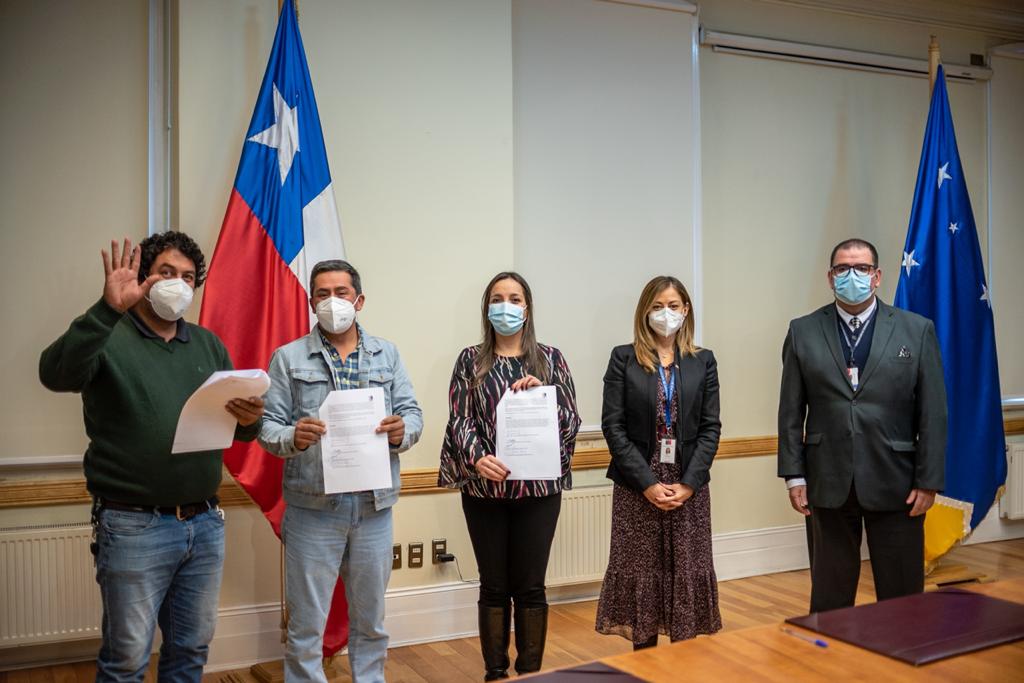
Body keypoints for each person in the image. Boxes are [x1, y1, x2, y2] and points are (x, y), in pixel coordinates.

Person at [38, 233, 265, 683]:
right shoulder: (109, 334)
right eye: (166, 272)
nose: (177, 284)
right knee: (126, 659)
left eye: (187, 277)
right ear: (144, 279)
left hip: (203, 524)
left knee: (190, 649)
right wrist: (107, 310)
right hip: (133, 524)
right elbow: (54, 374)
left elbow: (238, 429)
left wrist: (252, 417)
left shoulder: (207, 344)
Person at [258, 259, 422, 683]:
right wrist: (294, 436)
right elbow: (266, 428)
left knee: (371, 622)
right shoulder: (288, 358)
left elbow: (413, 415)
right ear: (311, 302)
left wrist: (401, 430)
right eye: (323, 294)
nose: (333, 301)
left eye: (342, 293)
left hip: (373, 508)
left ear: (359, 300)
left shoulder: (388, 353)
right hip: (313, 509)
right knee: (306, 624)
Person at [778, 238, 947, 613]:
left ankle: (900, 664)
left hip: (898, 483)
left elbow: (933, 413)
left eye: (861, 268)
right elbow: (790, 411)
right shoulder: (803, 331)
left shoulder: (916, 330)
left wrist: (929, 480)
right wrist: (794, 476)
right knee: (830, 596)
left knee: (902, 596)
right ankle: (830, 664)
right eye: (842, 269)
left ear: (877, 276)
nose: (851, 275)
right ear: (830, 277)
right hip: (827, 482)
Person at [438, 272, 581, 681]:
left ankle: (530, 673)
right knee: (494, 585)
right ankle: (495, 673)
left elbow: (572, 422)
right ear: (487, 308)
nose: (506, 305)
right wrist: (478, 457)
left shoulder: (550, 359)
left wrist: (545, 397)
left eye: (514, 298)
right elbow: (459, 419)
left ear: (527, 307)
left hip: (539, 491)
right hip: (485, 491)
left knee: (531, 586)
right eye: (498, 298)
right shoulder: (471, 360)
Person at [595, 276, 722, 649]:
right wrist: (648, 483)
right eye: (657, 306)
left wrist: (689, 483)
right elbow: (613, 427)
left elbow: (710, 428)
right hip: (639, 485)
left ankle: (681, 666)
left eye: (673, 306)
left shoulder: (704, 361)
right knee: (643, 579)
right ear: (644, 311)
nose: (665, 314)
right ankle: (645, 663)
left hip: (687, 486)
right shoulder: (624, 358)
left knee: (684, 573)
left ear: (686, 311)